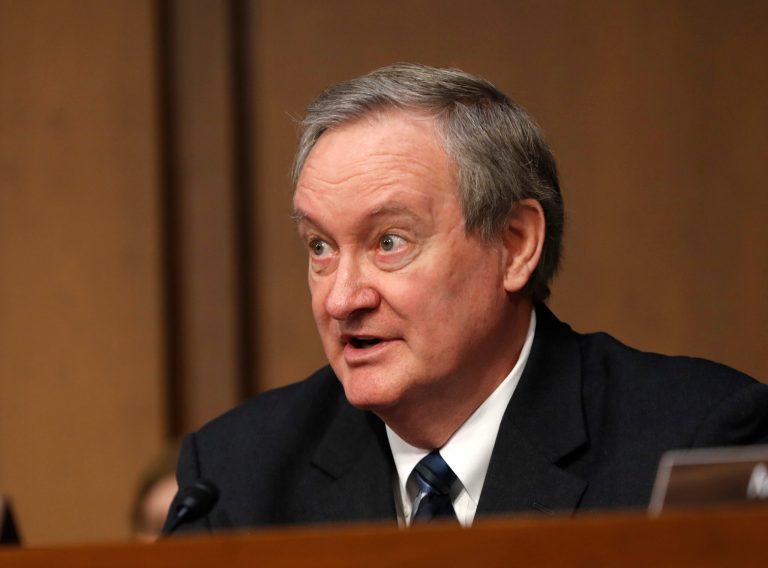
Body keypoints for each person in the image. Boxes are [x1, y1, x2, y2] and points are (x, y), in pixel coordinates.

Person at [166, 63, 768, 532]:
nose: (341, 299)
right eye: (320, 247)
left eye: (389, 241)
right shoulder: (235, 475)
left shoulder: (694, 439)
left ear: (514, 244)